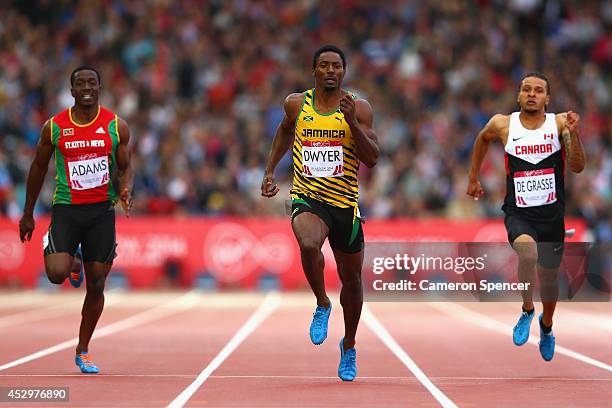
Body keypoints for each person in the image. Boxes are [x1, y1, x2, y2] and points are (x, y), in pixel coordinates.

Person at [261, 45, 379, 381]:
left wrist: (353, 123)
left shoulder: (360, 108)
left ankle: (350, 344)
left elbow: (372, 158)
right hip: (308, 196)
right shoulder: (296, 104)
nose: (330, 71)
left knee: (353, 281)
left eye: (336, 66)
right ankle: (322, 303)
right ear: (314, 71)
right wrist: (270, 169)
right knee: (309, 243)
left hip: (345, 204)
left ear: (345, 71)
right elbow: (285, 129)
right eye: (324, 66)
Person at [19, 65, 132, 373]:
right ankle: (72, 261)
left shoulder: (116, 126)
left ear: (99, 88)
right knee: (55, 274)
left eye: (91, 83)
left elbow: (125, 165)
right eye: (80, 83)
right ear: (71, 90)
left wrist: (125, 188)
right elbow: (38, 168)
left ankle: (82, 349)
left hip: (101, 212)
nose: (86, 87)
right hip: (67, 208)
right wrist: (28, 213)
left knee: (96, 284)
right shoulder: (54, 127)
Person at [467, 72, 585, 361]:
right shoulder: (503, 124)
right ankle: (527, 310)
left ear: (548, 98)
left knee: (549, 280)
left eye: (539, 90)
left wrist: (575, 134)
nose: (532, 94)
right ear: (518, 95)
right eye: (526, 89)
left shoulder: (559, 125)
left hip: (552, 216)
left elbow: (578, 166)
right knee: (527, 253)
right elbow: (482, 139)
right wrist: (473, 178)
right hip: (518, 212)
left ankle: (546, 325)